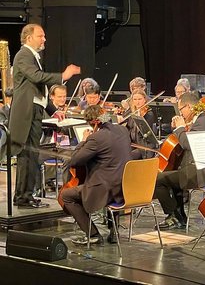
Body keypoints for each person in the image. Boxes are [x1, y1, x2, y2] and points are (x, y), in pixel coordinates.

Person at [9, 23, 80, 208]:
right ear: (29, 38)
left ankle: (26, 195)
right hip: (26, 113)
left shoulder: (32, 56)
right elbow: (37, 77)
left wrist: (53, 110)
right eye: (41, 36)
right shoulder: (24, 55)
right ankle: (23, 197)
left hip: (34, 111)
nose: (44, 39)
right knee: (27, 155)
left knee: (31, 155)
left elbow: (37, 92)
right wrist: (63, 76)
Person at [61, 105, 132, 245]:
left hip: (104, 190)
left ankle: (92, 234)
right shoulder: (123, 130)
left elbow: (74, 161)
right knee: (111, 176)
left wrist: (84, 140)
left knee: (66, 195)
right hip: (123, 187)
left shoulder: (96, 138)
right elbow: (108, 123)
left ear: (91, 123)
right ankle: (114, 231)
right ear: (103, 116)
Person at [154, 92, 205, 230]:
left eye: (181, 109)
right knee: (171, 177)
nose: (180, 113)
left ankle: (173, 215)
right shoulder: (201, 120)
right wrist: (178, 129)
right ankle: (179, 217)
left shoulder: (202, 122)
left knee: (158, 179)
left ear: (188, 107)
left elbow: (187, 144)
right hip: (194, 169)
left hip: (199, 173)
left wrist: (180, 128)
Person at [124, 89, 158, 159]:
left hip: (144, 147)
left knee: (127, 157)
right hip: (132, 144)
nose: (137, 102)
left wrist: (139, 117)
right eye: (135, 99)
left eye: (140, 99)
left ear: (144, 100)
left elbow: (144, 132)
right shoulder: (131, 111)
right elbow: (121, 118)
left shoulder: (149, 114)